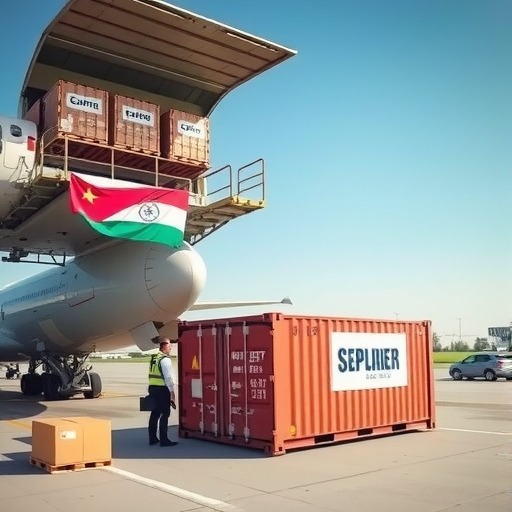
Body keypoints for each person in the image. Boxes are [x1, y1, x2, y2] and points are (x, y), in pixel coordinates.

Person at [147, 337, 178, 447]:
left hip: (152, 388)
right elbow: (168, 377)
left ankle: (152, 438)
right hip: (162, 389)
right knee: (165, 414)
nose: (171, 348)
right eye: (169, 346)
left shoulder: (154, 358)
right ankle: (164, 440)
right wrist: (172, 392)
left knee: (155, 413)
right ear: (164, 346)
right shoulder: (165, 360)